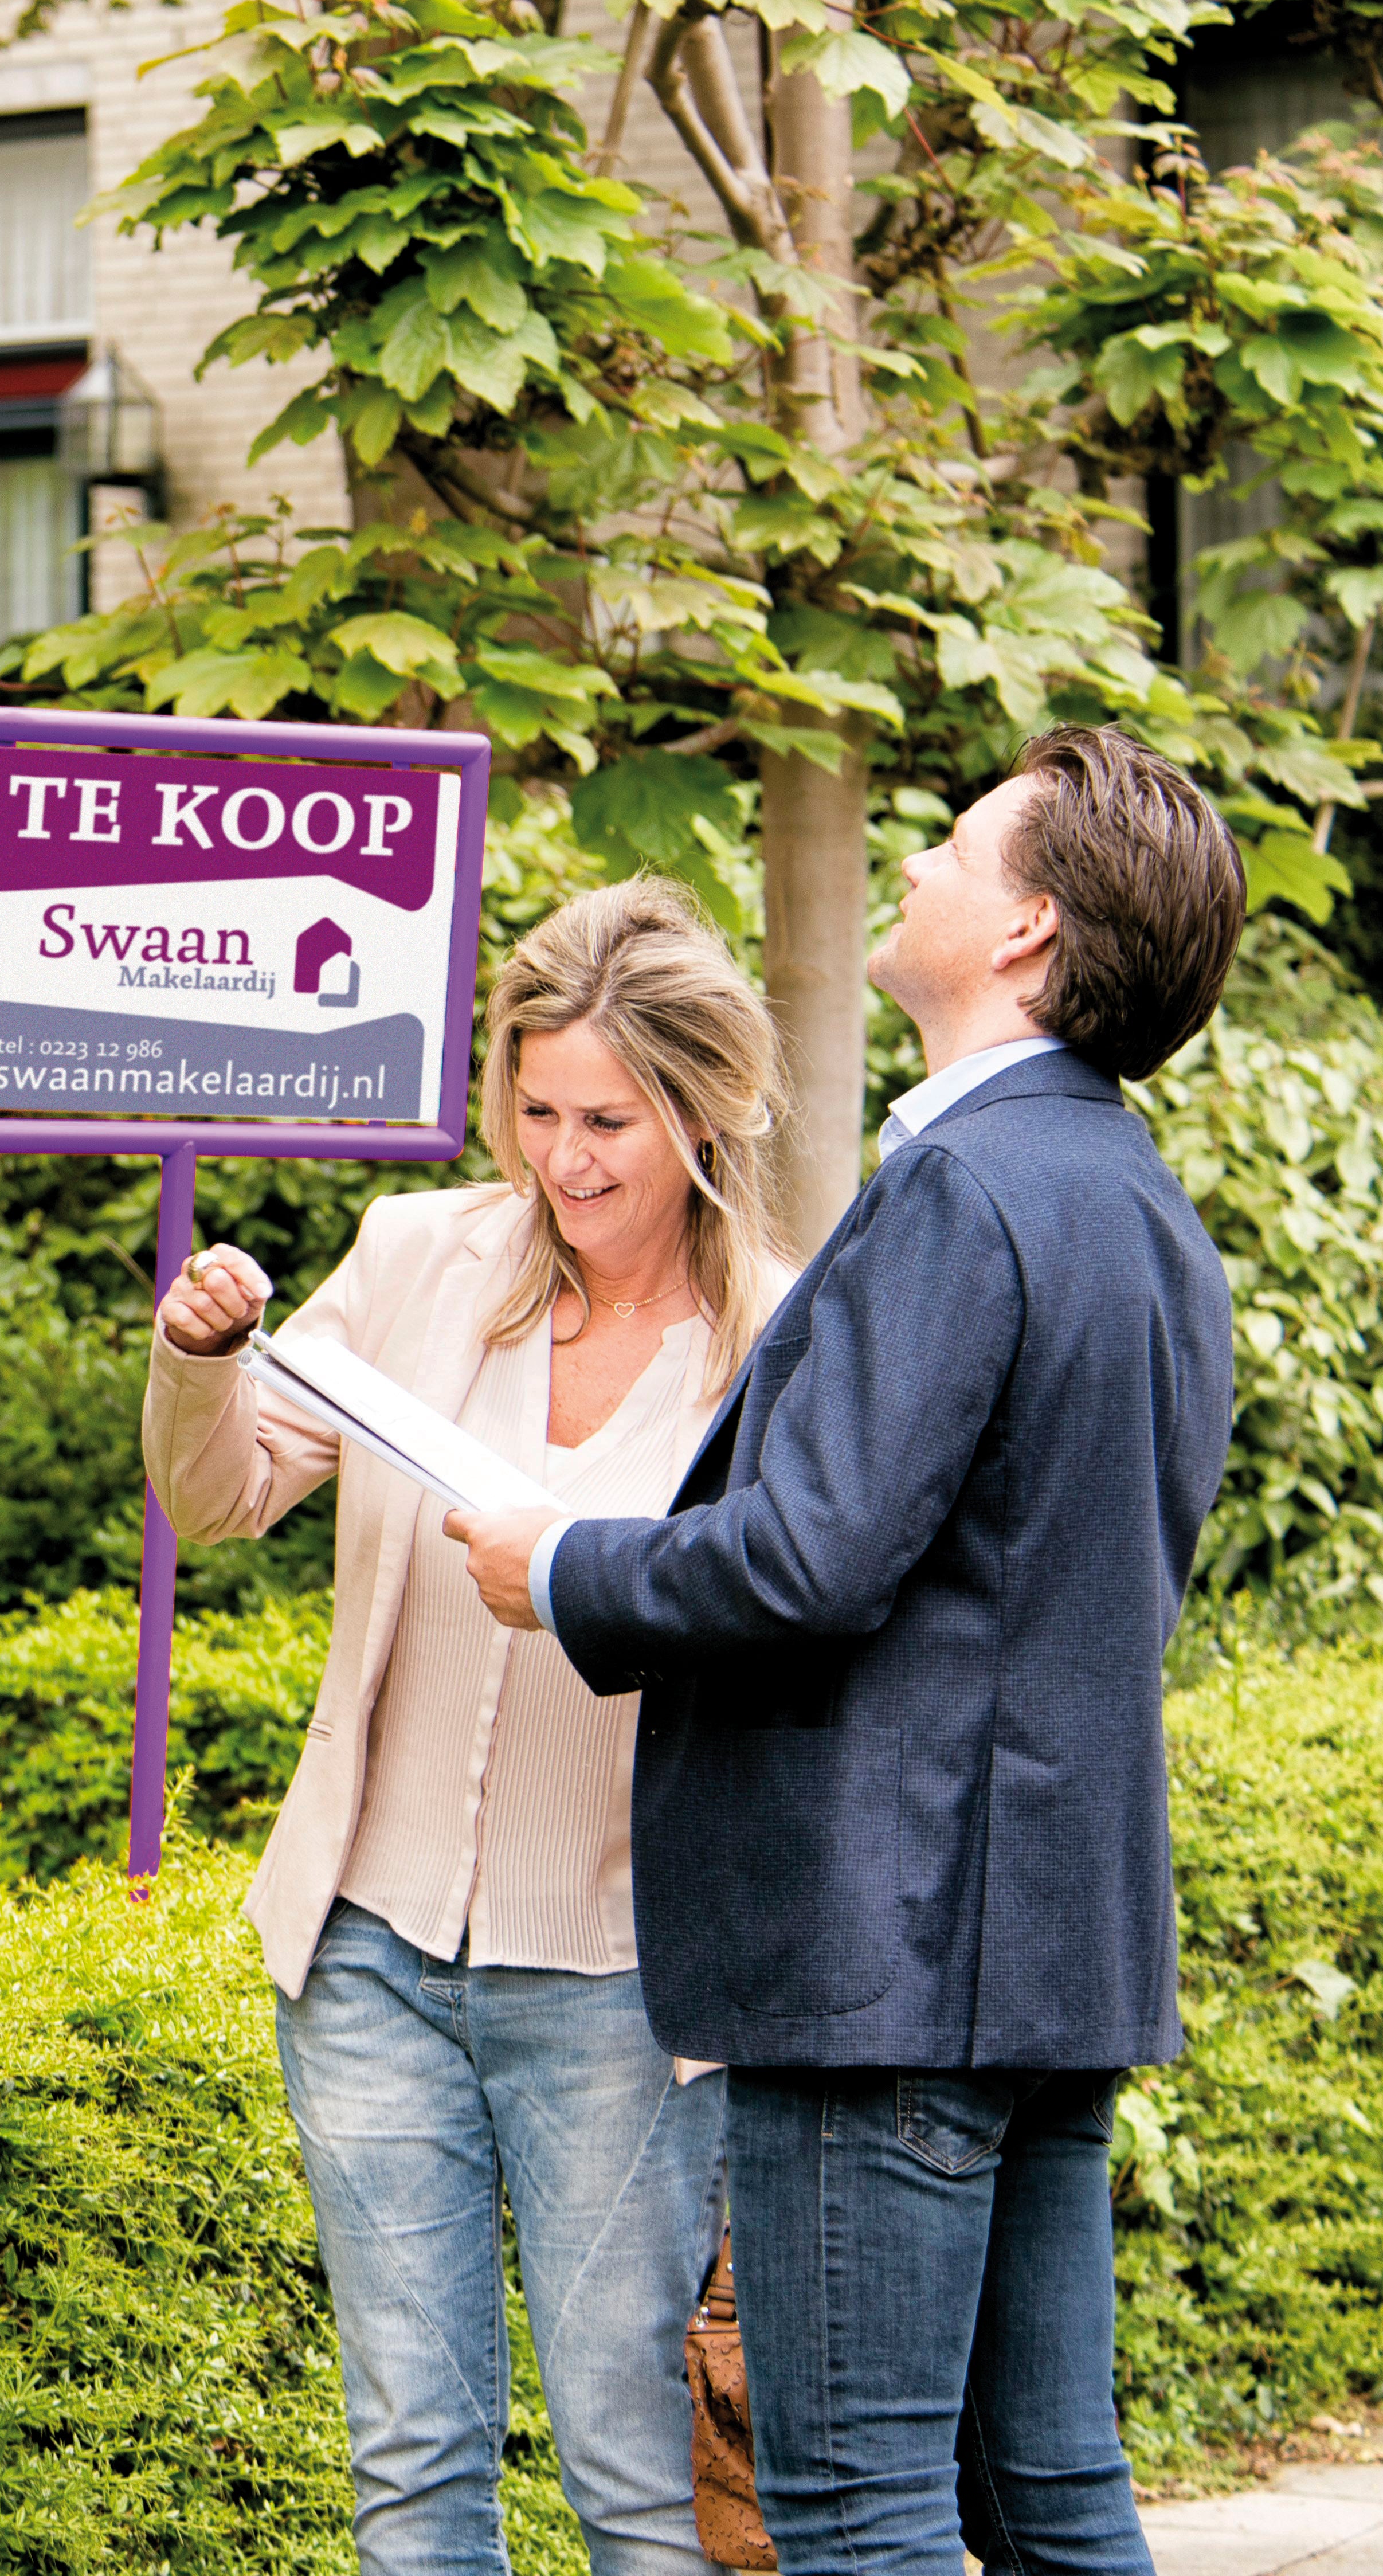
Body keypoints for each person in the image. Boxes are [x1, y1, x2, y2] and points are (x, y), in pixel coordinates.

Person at [440, 725, 1249, 2576]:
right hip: (1050, 1947)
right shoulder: (1136, 1207)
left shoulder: (966, 1192)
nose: (918, 861)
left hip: (886, 1962)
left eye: (958, 843)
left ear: (1030, 932)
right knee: (1051, 2497)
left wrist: (565, 1566)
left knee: (855, 2507)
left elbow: (811, 1560)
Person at [146, 878, 794, 2576]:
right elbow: (217, 1495)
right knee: (413, 2468)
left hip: (620, 1982)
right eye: (534, 1109)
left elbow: (793, 1626)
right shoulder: (420, 1261)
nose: (565, 1160)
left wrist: (593, 1585)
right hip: (368, 1955)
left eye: (611, 1120)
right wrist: (196, 1359)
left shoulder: (777, 1344)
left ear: (705, 1112)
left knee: (638, 2479)